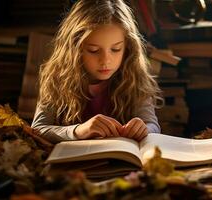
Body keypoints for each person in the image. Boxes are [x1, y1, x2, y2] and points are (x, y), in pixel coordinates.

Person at [31, 0, 163, 143]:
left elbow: (153, 126)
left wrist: (144, 128)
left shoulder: (135, 78)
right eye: (93, 50)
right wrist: (78, 131)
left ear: (128, 47)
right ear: (75, 49)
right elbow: (38, 129)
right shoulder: (57, 78)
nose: (106, 60)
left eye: (115, 49)